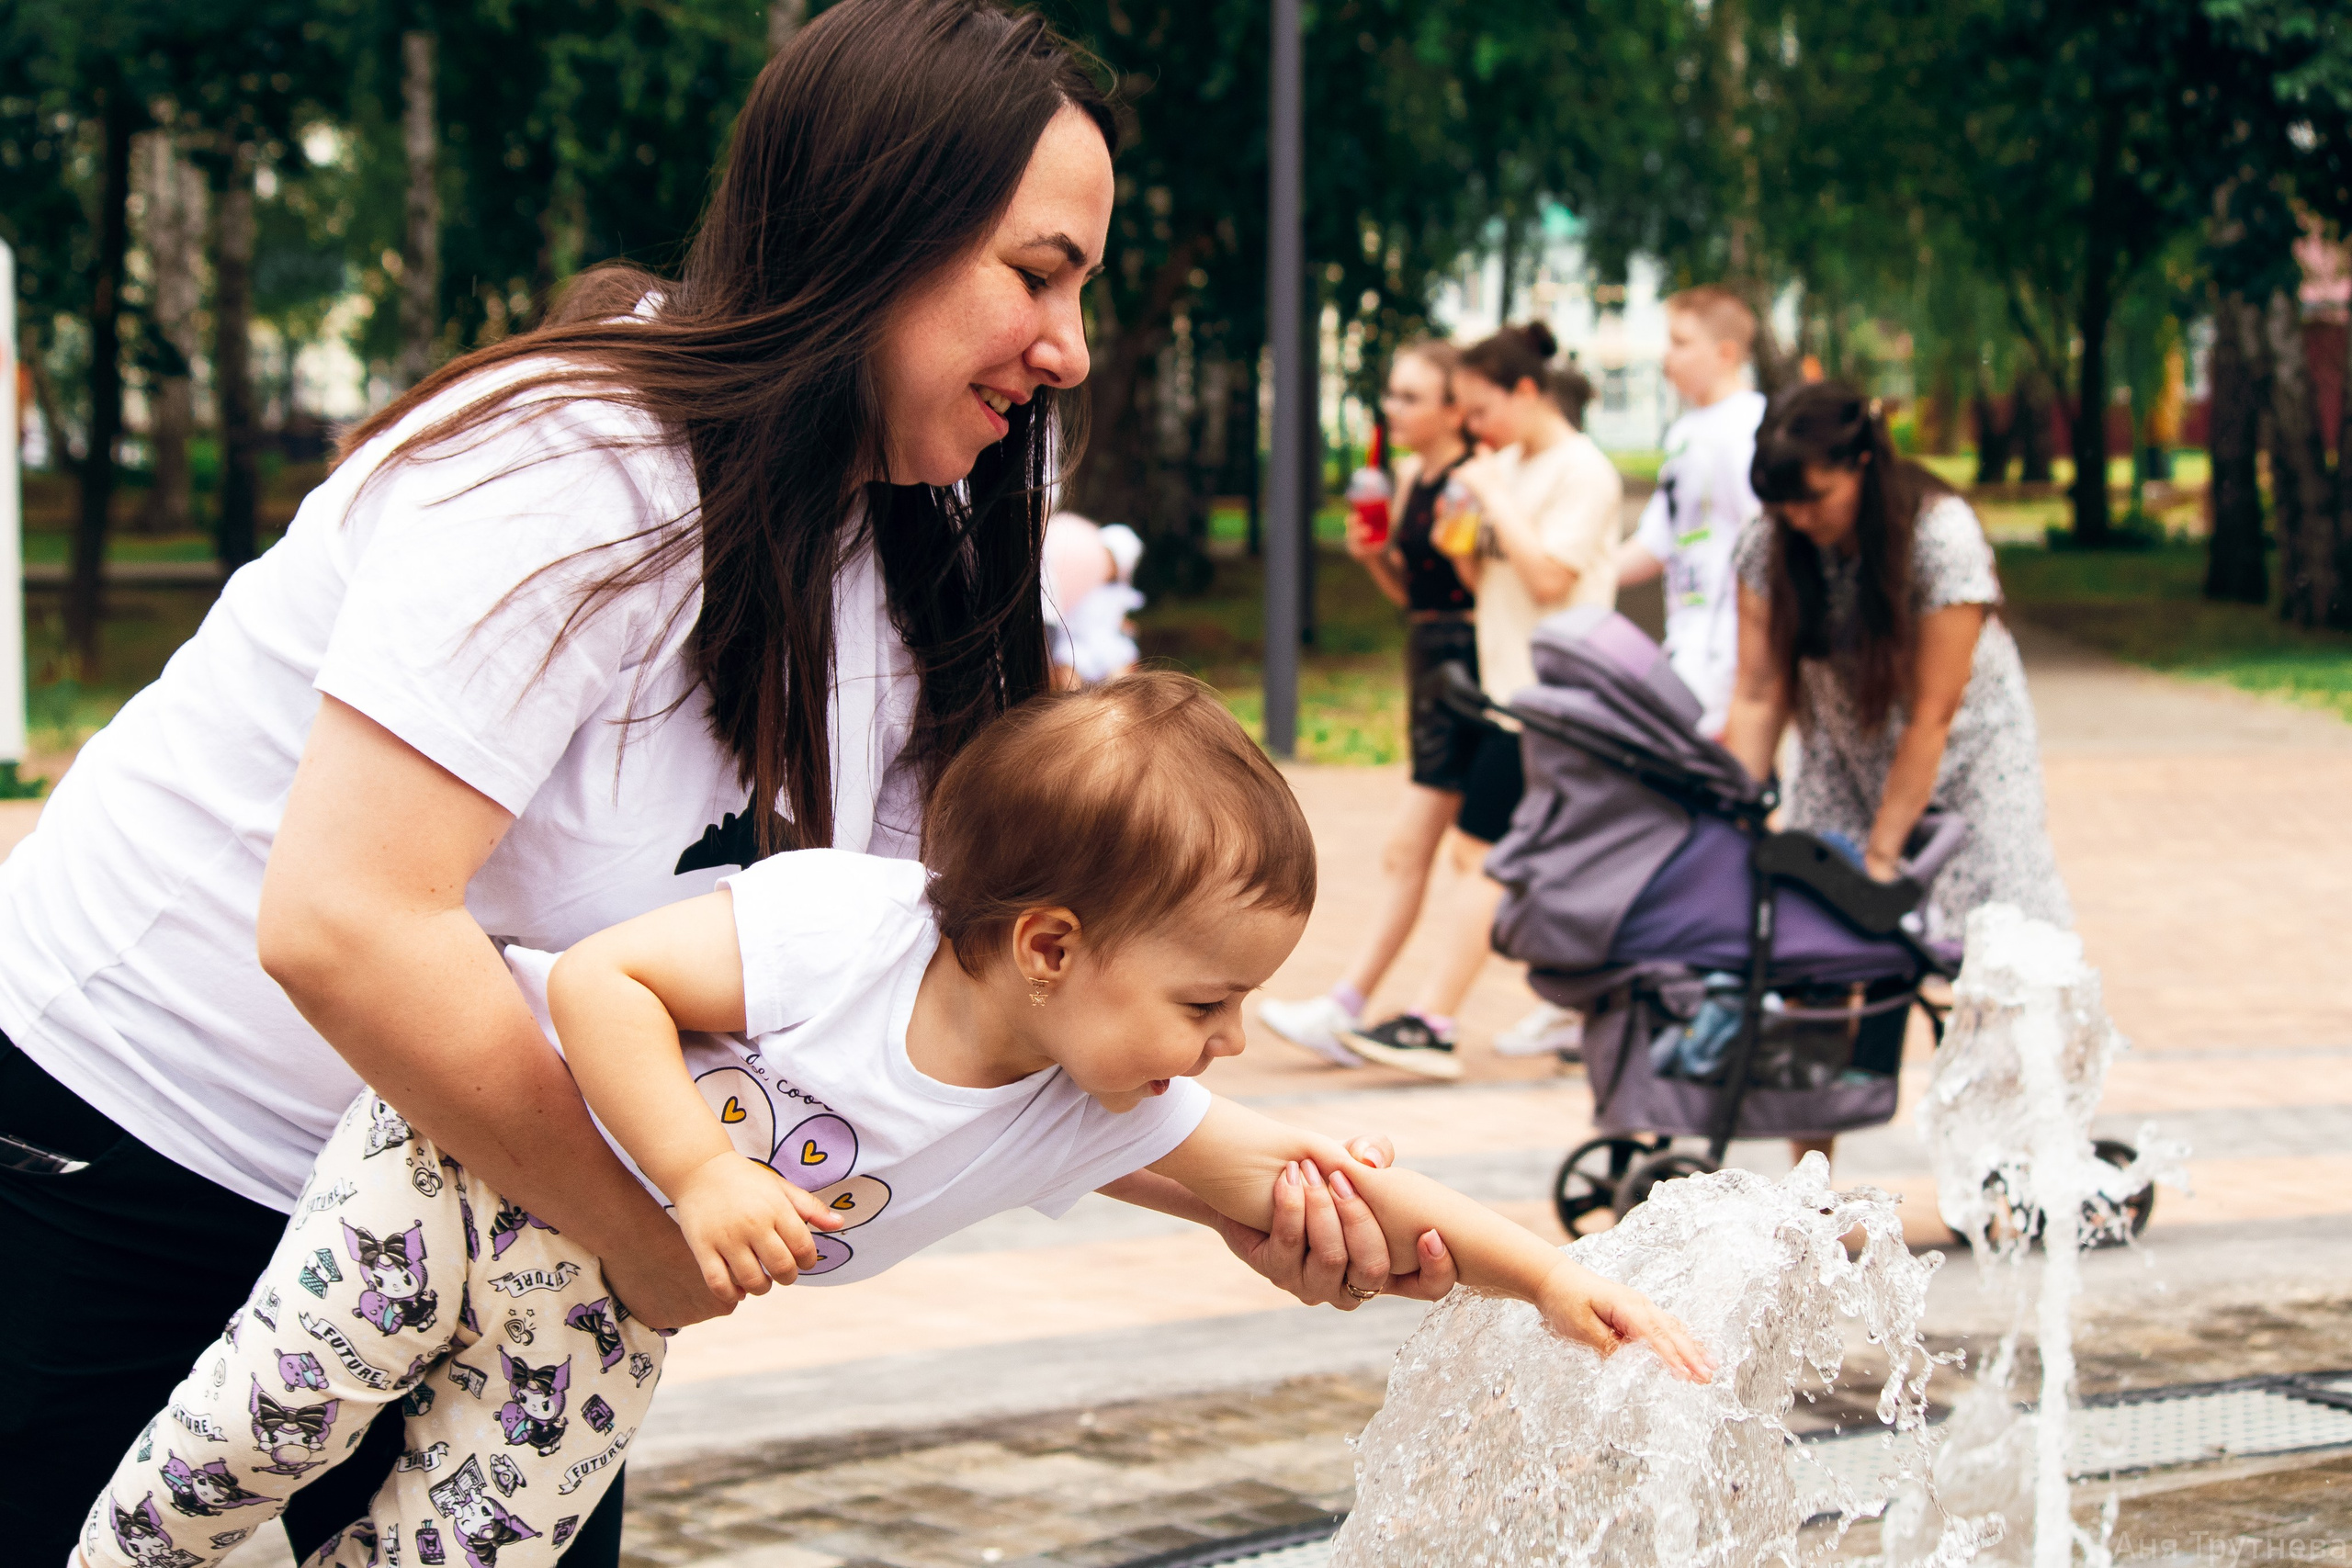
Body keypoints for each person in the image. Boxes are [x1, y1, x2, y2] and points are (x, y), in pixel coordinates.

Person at [0, 7, 1431, 1564]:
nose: (1071, 347)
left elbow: (963, 1004)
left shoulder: (921, 546)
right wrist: (648, 1222)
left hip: (505, 1201)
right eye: (1037, 273)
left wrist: (1270, 1192)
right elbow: (347, 923)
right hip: (129, 1140)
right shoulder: (571, 470)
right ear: (870, 231)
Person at [74, 674, 1714, 1568]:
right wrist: (700, 1170)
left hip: (608, 1307)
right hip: (454, 1168)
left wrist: (1547, 1272)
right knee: (267, 1422)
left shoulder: (1082, 1104)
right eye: (1207, 1000)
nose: (1230, 1041)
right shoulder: (841, 929)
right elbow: (601, 984)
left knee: (471, 1547)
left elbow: (1294, 1168)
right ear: (1052, 945)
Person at [1720, 384, 2072, 1162]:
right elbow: (1758, 691)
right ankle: (1813, 1182)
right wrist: (1733, 812)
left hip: (1970, 758)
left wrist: (1881, 860)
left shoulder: (1940, 536)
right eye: (1781, 503)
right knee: (1816, 955)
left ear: (1863, 464)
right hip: (1843, 754)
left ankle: (2015, 1163)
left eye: (1814, 497)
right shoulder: (1770, 542)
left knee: (2002, 953)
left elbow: (1933, 714)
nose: (1797, 517)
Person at [1341, 324, 1623, 1080]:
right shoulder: (1514, 465)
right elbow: (1483, 582)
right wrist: (1459, 540)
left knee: (1484, 856)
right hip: (1509, 694)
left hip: (1554, 695)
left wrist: (1493, 497)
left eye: (1480, 410)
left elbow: (1550, 579)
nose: (1473, 427)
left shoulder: (1581, 472)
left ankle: (1435, 1019)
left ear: (1525, 391)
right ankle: (1588, 1000)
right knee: (1522, 858)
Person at [1255, 341, 1482, 1066]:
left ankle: (1356, 1004)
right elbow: (1414, 597)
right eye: (1393, 394)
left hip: (1473, 666)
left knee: (1440, 850)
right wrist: (1374, 558)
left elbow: (1485, 592)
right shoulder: (1410, 476)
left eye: (1412, 397)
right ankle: (1352, 1006)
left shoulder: (1477, 479)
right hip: (1429, 654)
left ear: (1455, 408)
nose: (1394, 408)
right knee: (1441, 851)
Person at [1616, 286, 1768, 736]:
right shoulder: (1685, 432)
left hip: (1731, 648)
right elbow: (1657, 541)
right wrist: (1579, 573)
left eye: (1682, 343)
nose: (1668, 356)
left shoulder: (1749, 428)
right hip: (1688, 641)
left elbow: (1764, 543)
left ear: (1725, 353)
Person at [1042, 511, 1145, 688]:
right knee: (1068, 666)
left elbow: (1115, 617)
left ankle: (1113, 697)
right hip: (1076, 641)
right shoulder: (1079, 581)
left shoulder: (1116, 592)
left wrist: (1123, 625)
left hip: (1106, 643)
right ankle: (1070, 699)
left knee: (1120, 666)